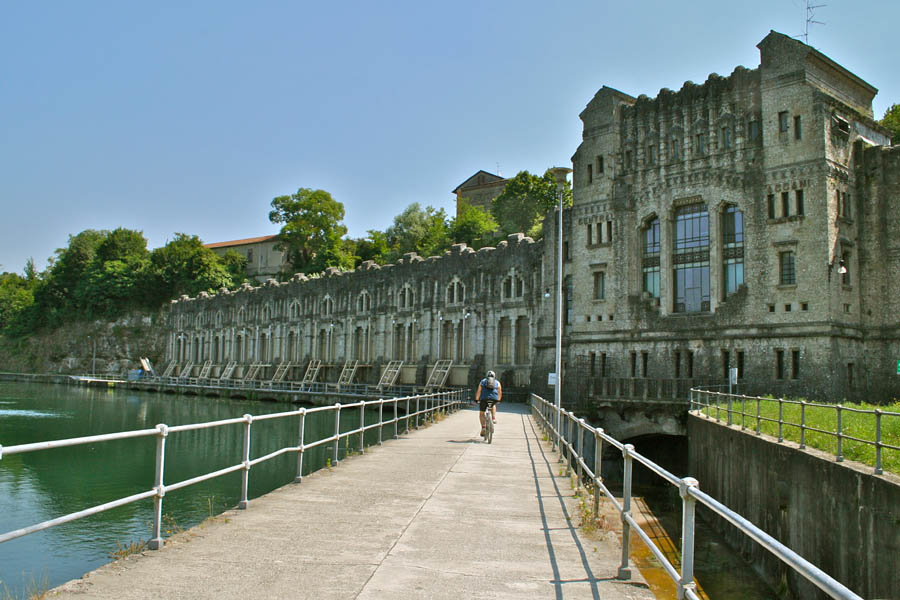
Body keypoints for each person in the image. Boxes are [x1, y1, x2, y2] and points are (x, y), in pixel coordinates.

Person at [475, 370, 502, 436]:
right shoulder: (497, 382)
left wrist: (476, 399)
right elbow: (500, 392)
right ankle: (493, 418)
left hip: (484, 399)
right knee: (493, 405)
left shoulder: (482, 381)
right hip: (493, 398)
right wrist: (498, 400)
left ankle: (483, 427)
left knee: (481, 413)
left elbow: (479, 391)